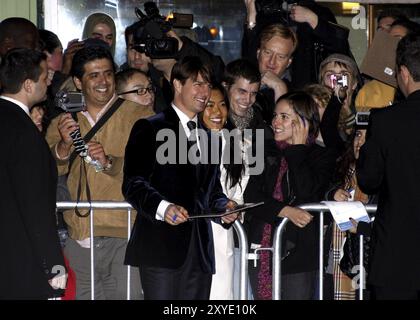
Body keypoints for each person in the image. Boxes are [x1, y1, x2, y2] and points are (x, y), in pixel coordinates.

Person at [123, 56, 237, 300]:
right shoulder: (149, 127)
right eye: (197, 84)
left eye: (207, 85)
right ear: (177, 85)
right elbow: (133, 184)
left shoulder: (210, 137)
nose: (204, 92)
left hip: (200, 253)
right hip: (160, 248)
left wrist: (224, 208)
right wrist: (164, 208)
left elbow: (211, 191)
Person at [46, 46, 154, 300]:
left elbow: (152, 168)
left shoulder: (140, 116)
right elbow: (49, 170)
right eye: (94, 75)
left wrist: (109, 162)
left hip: (124, 231)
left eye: (107, 74)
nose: (103, 82)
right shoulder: (63, 120)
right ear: (77, 81)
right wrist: (63, 146)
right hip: (79, 235)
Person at [244, 91, 335, 300]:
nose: (276, 122)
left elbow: (307, 192)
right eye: (275, 115)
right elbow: (251, 195)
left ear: (304, 122)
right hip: (262, 248)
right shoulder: (264, 149)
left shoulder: (321, 155)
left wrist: (298, 150)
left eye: (284, 117)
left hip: (299, 254)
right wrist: (285, 212)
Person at [357, 33, 420, 300]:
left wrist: (362, 152)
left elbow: (369, 180)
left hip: (397, 257)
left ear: (403, 72)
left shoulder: (386, 121)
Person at [0, 48, 66, 299]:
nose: (49, 83)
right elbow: (35, 204)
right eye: (43, 78)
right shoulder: (25, 132)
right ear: (28, 85)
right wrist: (54, 264)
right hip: (19, 260)